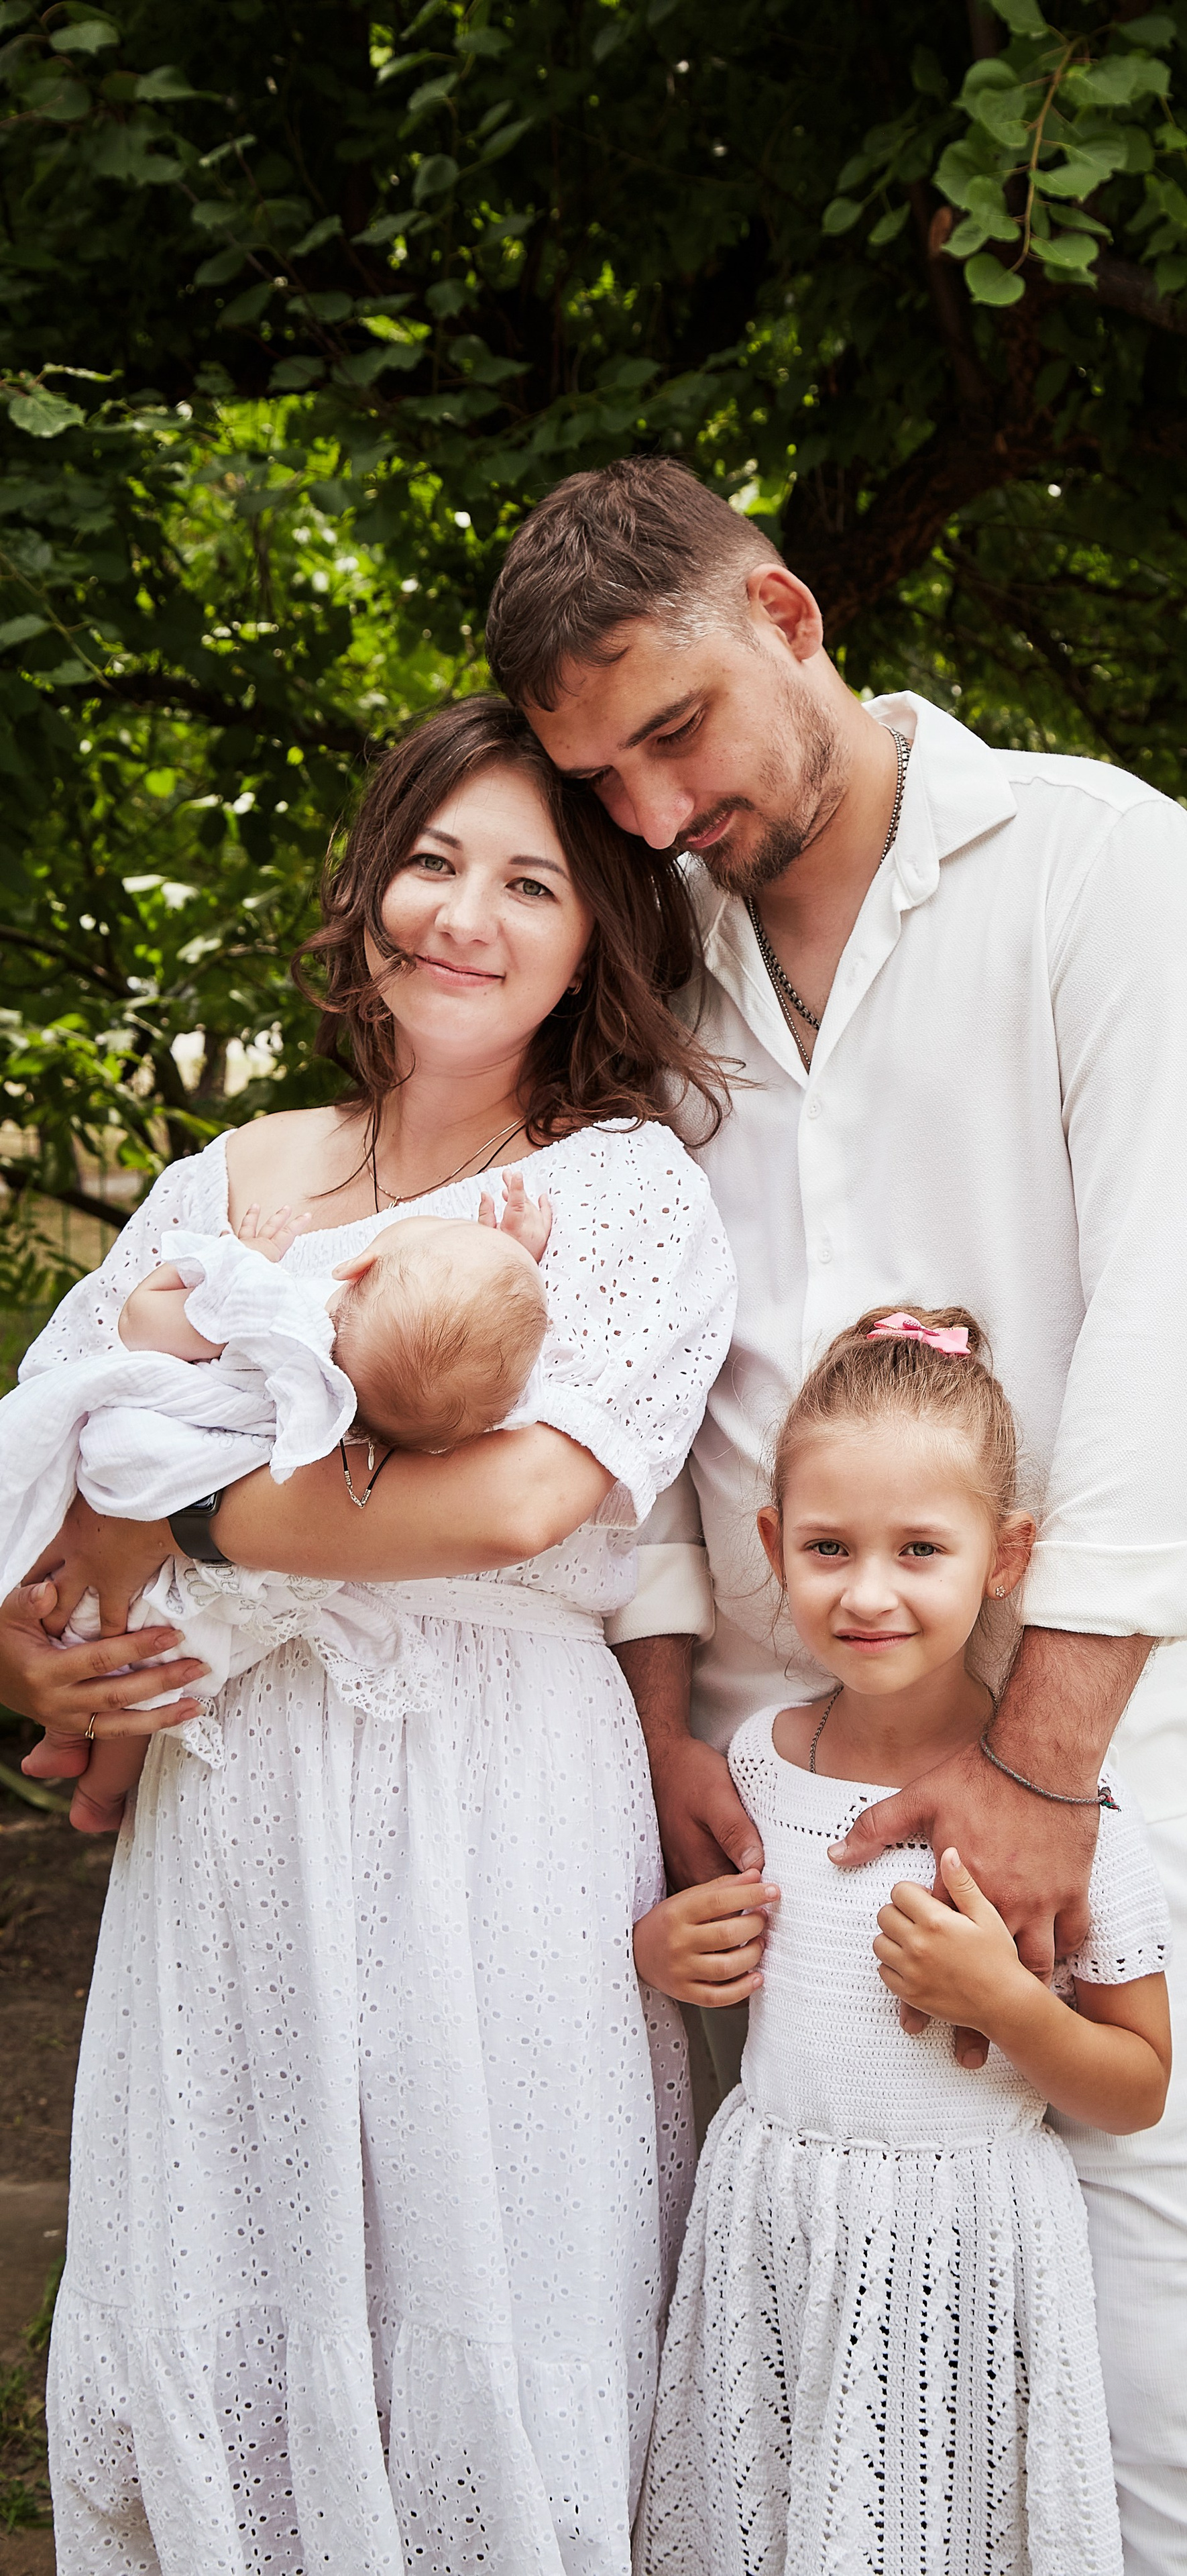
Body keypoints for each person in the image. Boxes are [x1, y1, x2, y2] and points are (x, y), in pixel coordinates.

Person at [486, 458, 1187, 2571]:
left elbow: (1170, 1338)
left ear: (788, 616)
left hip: (1092, 1782)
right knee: (820, 2430)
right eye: (602, 780)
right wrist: (662, 1728)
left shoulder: (1098, 866)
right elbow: (629, 1371)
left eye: (675, 731)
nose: (653, 809)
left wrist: (1040, 1769)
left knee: (1162, 2398)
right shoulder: (645, 962)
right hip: (778, 1816)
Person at [0, 693, 736, 2574]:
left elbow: (511, 1502)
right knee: (234, 2265)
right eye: (430, 861)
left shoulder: (622, 1193)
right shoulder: (228, 1179)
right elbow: (54, 1481)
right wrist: (40, 1652)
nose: (464, 917)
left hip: (497, 1805)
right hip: (236, 1816)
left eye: (530, 884)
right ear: (367, 890)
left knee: (491, 2274)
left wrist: (181, 1516)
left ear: (596, 936)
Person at [633, 1306, 1172, 2576]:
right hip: (774, 2227)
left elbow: (1139, 2084)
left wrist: (1011, 2005)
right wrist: (664, 1954)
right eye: (828, 1547)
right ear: (772, 1544)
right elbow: (725, 1976)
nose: (868, 1592)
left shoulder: (1058, 1821)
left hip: (962, 2250)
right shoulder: (756, 1766)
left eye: (921, 1548)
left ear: (1006, 1557)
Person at [11, 1172, 556, 1831]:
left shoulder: (283, 1316)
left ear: (356, 1267)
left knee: (101, 1628)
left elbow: (140, 1322)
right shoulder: (381, 1415)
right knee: (162, 1666)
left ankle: (66, 1743)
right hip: (237, 1576)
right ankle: (99, 1794)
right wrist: (516, 1261)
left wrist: (235, 1261)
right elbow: (475, 1354)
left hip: (141, 1484)